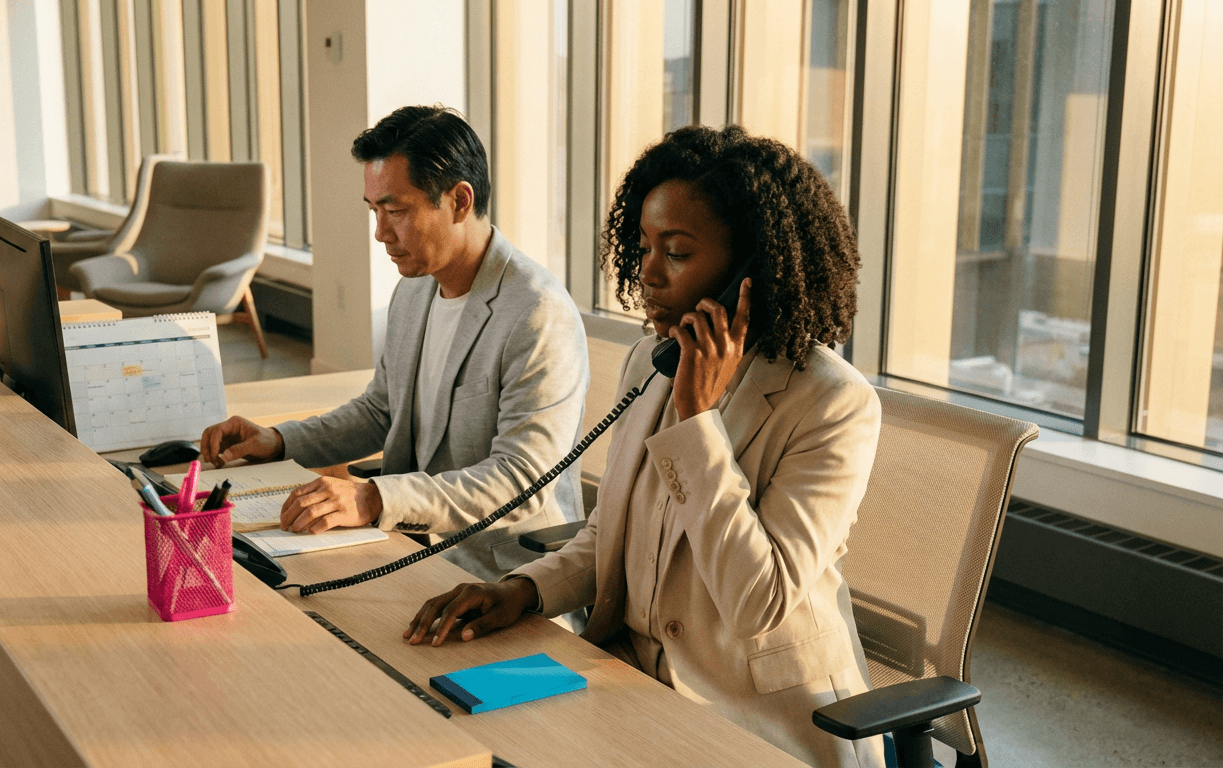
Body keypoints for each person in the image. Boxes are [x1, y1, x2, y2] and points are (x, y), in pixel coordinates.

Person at [403, 125, 885, 768]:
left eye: (677, 253)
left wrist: (697, 423)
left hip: (756, 721)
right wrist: (521, 590)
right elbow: (611, 534)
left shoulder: (831, 404)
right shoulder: (650, 363)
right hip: (628, 680)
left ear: (750, 269)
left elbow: (757, 602)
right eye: (644, 246)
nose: (648, 273)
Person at [201, 106, 589, 583]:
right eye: (374, 212)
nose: (381, 234)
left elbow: (520, 480)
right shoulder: (414, 288)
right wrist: (279, 441)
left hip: (504, 575)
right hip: (411, 548)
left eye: (396, 212)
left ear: (460, 202)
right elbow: (382, 411)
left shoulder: (536, 311)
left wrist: (374, 498)